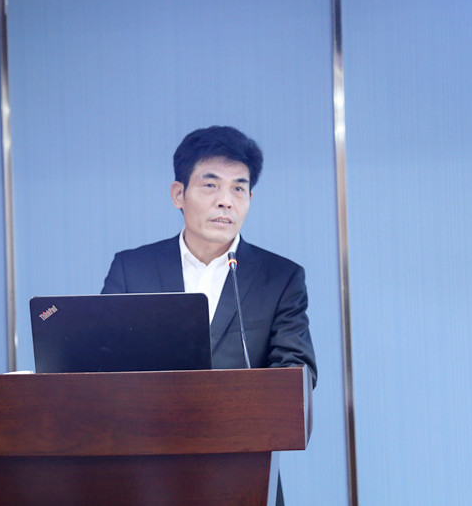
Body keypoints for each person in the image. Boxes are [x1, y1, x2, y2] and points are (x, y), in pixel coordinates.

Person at [100, 125, 317, 504]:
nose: (225, 201)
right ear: (178, 194)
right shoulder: (132, 269)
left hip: (243, 474)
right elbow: (98, 365)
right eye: (210, 185)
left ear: (250, 198)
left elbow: (296, 370)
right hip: (145, 474)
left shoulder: (279, 278)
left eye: (238, 189)